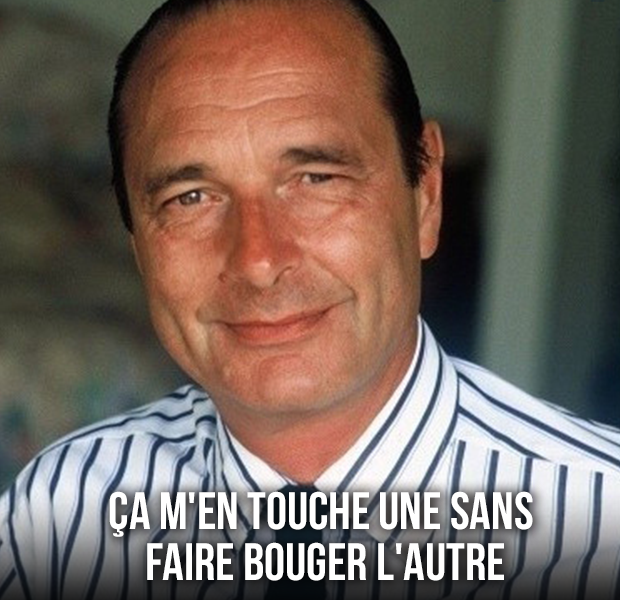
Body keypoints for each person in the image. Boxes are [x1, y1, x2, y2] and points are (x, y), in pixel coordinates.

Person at [1, 0, 619, 598]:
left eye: (316, 179)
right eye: (190, 197)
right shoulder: (58, 520)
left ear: (425, 195)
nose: (259, 261)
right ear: (137, 242)